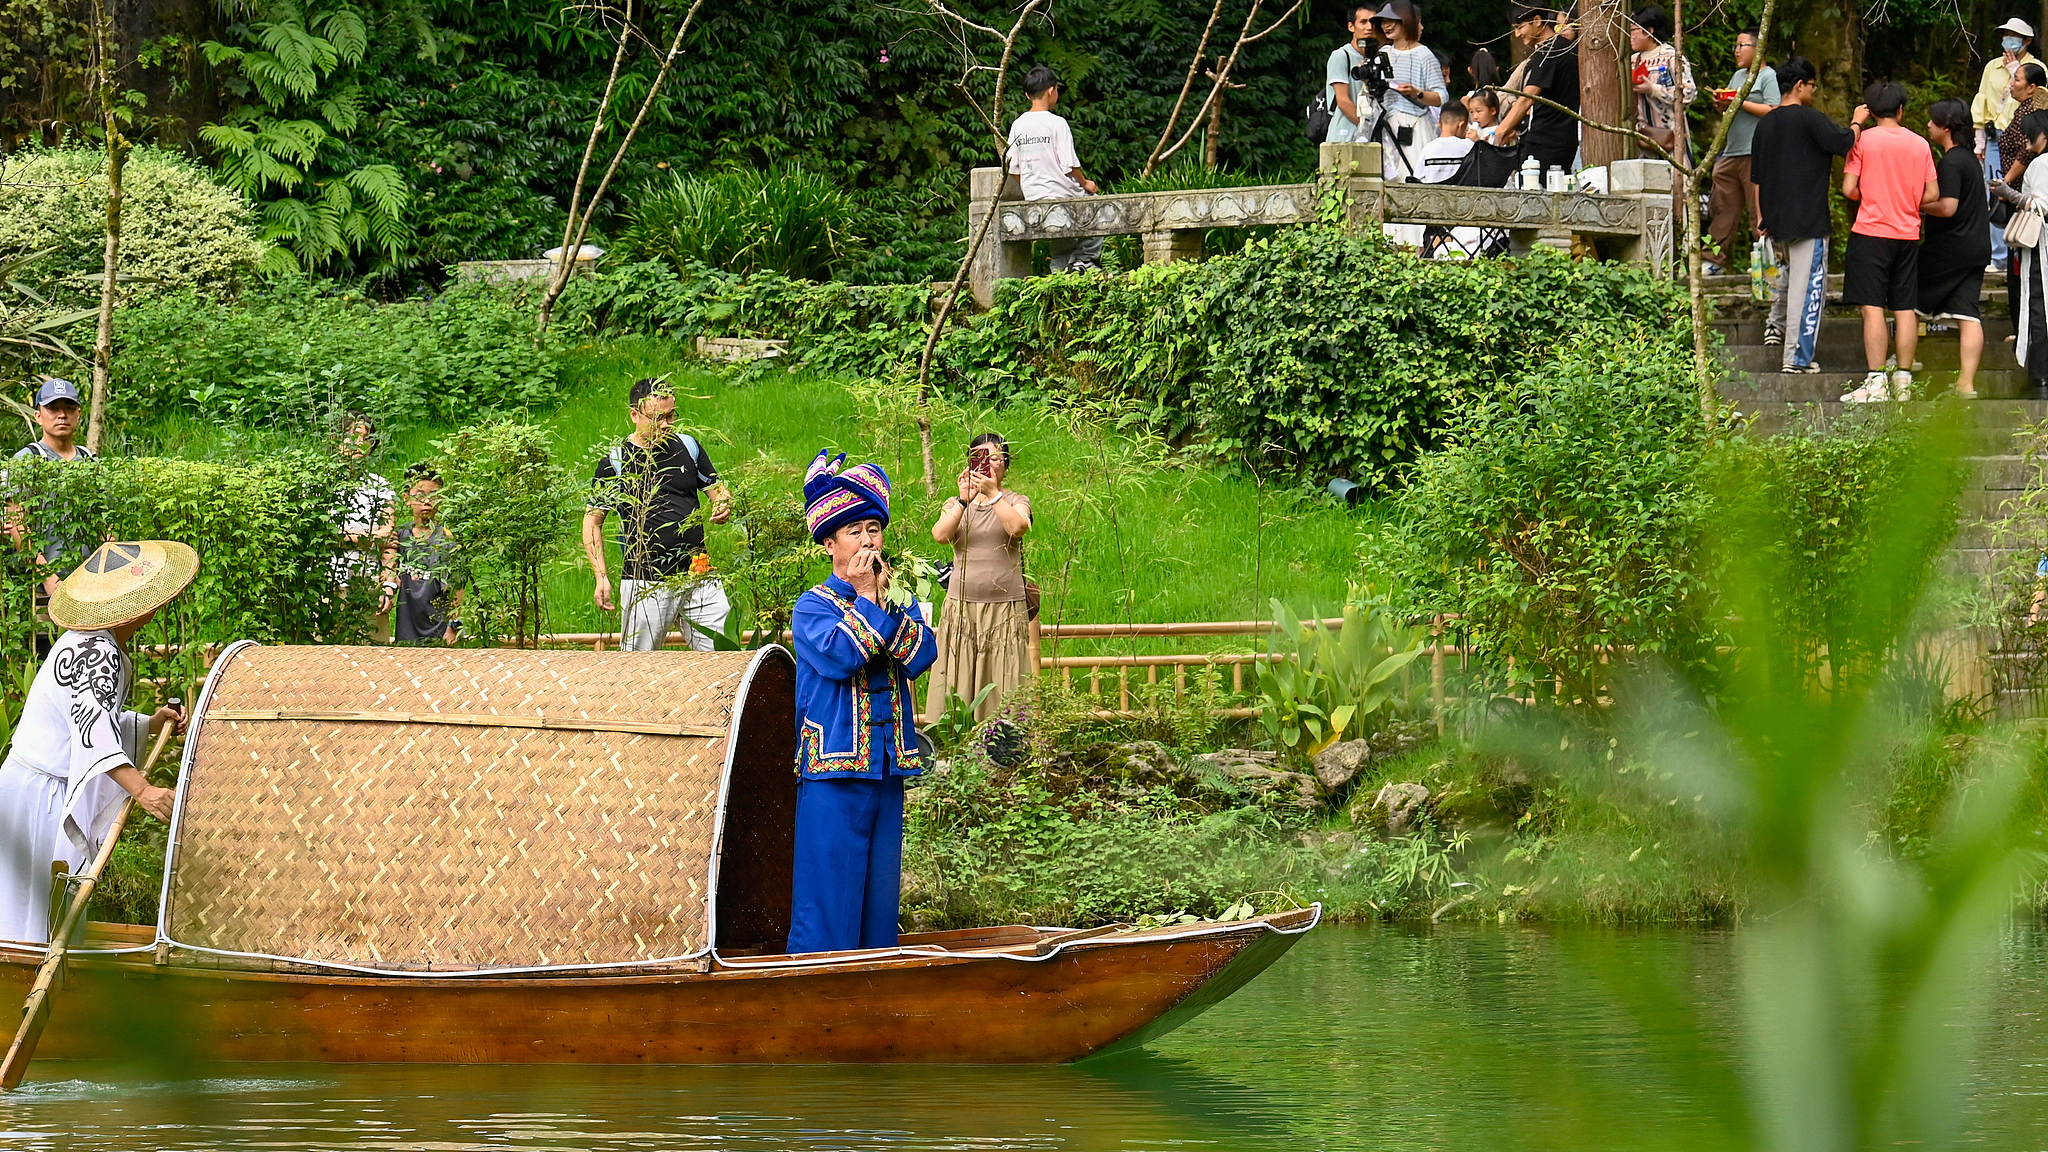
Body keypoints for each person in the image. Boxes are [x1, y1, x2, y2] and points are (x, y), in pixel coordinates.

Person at [0, 540, 193, 943]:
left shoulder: (95, 642)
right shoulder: (97, 651)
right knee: (32, 920)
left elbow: (89, 719)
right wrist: (143, 791)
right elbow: (93, 730)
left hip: (31, 785)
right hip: (39, 797)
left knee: (38, 912)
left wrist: (150, 723)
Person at [787, 450, 936, 955]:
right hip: (833, 770)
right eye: (854, 532)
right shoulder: (812, 607)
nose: (868, 541)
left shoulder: (897, 597)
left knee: (878, 901)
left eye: (874, 528)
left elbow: (922, 653)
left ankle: (872, 992)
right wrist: (872, 602)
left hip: (886, 766)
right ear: (829, 544)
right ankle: (811, 990)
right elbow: (842, 656)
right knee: (827, 899)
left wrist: (882, 605)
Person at [585, 377, 733, 651]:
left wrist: (722, 506)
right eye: (658, 417)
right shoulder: (616, 461)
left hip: (699, 574)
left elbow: (719, 491)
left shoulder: (689, 447)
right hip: (644, 582)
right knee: (637, 668)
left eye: (671, 415)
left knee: (720, 657)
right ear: (634, 415)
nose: (666, 424)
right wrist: (601, 576)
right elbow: (592, 523)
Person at [1752, 56, 1856, 375]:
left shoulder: (1765, 124)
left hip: (1776, 219)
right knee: (1808, 288)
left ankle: (1792, 353)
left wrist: (1760, 220)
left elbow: (1756, 177)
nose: (1813, 91)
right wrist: (1857, 121)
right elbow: (1844, 141)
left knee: (1792, 284)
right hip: (1808, 218)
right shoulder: (1809, 119)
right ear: (1799, 85)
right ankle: (1796, 358)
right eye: (1811, 85)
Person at [1840, 81, 1937, 403]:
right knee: (1905, 307)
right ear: (1900, 110)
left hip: (1870, 231)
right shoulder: (1920, 143)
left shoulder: (1863, 141)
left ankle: (1876, 381)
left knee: (1872, 307)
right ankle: (1904, 381)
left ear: (1870, 110)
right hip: (1908, 233)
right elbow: (1933, 194)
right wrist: (1906, 201)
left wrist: (1871, 196)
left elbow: (1849, 188)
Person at [926, 433, 1033, 724]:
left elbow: (1017, 527)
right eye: (978, 458)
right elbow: (941, 535)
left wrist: (993, 495)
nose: (986, 465)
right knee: (957, 679)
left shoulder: (1016, 500)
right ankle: (956, 747)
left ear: (1005, 465)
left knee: (1004, 680)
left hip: (1004, 609)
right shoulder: (957, 502)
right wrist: (964, 499)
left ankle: (1005, 747)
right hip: (962, 609)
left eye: (994, 458)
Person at [1920, 98, 1993, 400]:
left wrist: (1918, 205)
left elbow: (1948, 207)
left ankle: (1904, 362)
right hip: (1977, 246)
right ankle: (1966, 384)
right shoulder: (1970, 159)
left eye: (1932, 121)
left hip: (1951, 247)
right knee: (1967, 314)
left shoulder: (1950, 161)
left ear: (1946, 127)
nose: (1927, 125)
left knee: (1907, 298)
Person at [9, 378, 98, 625]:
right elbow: (16, 523)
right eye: (53, 408)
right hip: (40, 590)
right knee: (45, 657)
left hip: (89, 589)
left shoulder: (91, 462)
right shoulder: (27, 460)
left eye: (69, 408)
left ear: (79, 414)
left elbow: (106, 526)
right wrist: (48, 578)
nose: (62, 415)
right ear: (38, 416)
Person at [1007, 66, 1102, 273]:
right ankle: (1084, 260)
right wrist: (1086, 183)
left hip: (1033, 198)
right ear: (1052, 91)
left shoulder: (1018, 125)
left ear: (1027, 95)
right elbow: (1069, 165)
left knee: (1062, 240)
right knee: (1098, 209)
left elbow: (1011, 166)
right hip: (1062, 195)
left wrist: (1029, 184)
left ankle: (1059, 273)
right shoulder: (1057, 123)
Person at [1707, 28, 1779, 279]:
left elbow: (1773, 110)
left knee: (1757, 208)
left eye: (1742, 45)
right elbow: (1731, 108)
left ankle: (1771, 260)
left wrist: (1738, 100)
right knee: (1722, 206)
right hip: (1731, 150)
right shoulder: (1739, 75)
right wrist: (1722, 104)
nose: (1737, 51)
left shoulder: (1768, 76)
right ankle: (1713, 259)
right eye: (1735, 46)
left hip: (1756, 151)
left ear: (1758, 49)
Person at [1974, 18, 2041, 270]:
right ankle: (1998, 255)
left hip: (2023, 136)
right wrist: (1979, 139)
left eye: (2014, 35)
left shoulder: (2035, 67)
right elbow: (1982, 98)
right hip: (1995, 135)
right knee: (1995, 191)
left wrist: (2016, 70)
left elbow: (2036, 102)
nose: (2008, 40)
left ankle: (2022, 246)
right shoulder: (1992, 66)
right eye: (2006, 35)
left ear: (2027, 40)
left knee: (2020, 189)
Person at [1991, 109, 2048, 395]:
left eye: (2030, 135)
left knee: (2037, 305)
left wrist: (2007, 192)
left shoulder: (2040, 165)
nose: (2027, 142)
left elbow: (2039, 205)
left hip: (2042, 247)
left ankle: (2040, 377)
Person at [1496, 4, 1580, 176]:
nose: (1518, 34)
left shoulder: (1549, 51)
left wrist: (1500, 131)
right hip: (1564, 140)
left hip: (1546, 142)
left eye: (1520, 27)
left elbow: (1527, 98)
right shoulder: (1566, 48)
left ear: (1537, 21)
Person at [1368, 0, 1446, 182]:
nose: (1386, 26)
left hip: (1414, 125)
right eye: (1383, 21)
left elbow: (1441, 96)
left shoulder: (1424, 54)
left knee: (1413, 178)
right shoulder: (1383, 52)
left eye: (1391, 20)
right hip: (1386, 123)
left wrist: (1417, 93)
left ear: (1406, 20)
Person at [333, 413, 396, 629]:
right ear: (336, 439)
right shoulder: (318, 485)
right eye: (353, 436)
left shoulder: (382, 486)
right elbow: (324, 535)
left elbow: (389, 537)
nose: (360, 444)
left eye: (367, 439)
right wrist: (370, 537)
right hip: (328, 584)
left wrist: (388, 584)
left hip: (370, 584)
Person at [392, 464, 461, 644]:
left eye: (433, 495)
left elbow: (455, 587)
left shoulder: (446, 539)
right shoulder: (400, 536)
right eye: (421, 495)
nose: (427, 501)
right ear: (407, 498)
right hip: (405, 632)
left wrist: (452, 627)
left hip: (437, 631)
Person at [1628, 7, 1696, 162]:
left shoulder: (1671, 57)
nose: (1630, 36)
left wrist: (1654, 90)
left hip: (1672, 139)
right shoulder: (1632, 60)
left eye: (1634, 30)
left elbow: (1690, 94)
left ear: (1649, 31)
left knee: (1677, 182)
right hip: (1642, 141)